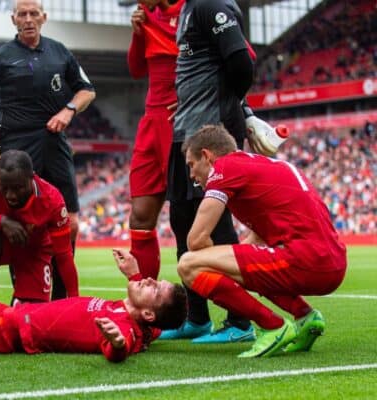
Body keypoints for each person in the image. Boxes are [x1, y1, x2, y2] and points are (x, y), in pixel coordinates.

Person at [132, 0, 254, 343]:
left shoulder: (210, 5)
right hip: (185, 132)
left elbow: (242, 64)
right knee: (183, 221)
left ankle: (240, 322)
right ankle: (197, 317)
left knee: (216, 222)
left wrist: (229, 106)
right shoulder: (189, 10)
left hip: (211, 132)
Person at [178, 124, 347, 357]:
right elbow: (257, 241)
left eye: (192, 165)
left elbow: (196, 240)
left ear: (207, 156)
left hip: (307, 260)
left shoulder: (225, 167)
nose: (191, 175)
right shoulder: (263, 165)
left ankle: (273, 326)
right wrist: (229, 267)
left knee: (188, 264)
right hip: (332, 262)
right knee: (243, 265)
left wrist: (212, 264)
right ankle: (305, 316)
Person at [0, 0, 96, 299]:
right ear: (13, 20)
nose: (28, 19)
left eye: (33, 13)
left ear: (44, 17)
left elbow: (87, 90)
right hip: (17, 147)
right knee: (21, 223)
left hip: (55, 144)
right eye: (22, 14)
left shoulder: (59, 51)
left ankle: (64, 298)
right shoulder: (0, 58)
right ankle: (23, 294)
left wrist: (68, 110)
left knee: (71, 223)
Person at [0, 248, 187, 362]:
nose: (150, 279)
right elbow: (154, 327)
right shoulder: (147, 325)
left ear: (149, 313)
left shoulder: (124, 327)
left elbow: (120, 348)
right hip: (5, 320)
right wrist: (135, 276)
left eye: (155, 288)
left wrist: (118, 344)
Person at [0, 150, 78, 304]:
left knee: (31, 315)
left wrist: (76, 299)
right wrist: (2, 221)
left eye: (17, 188)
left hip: (34, 252)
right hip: (4, 244)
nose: (11, 195)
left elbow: (64, 257)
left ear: (31, 178)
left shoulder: (52, 201)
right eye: (5, 188)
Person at [126, 0, 184, 280]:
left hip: (184, 119)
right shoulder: (148, 16)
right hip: (152, 119)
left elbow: (242, 59)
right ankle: (145, 306)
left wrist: (196, 98)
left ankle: (205, 315)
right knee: (139, 216)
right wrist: (138, 34)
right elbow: (137, 70)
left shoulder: (197, 8)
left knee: (186, 220)